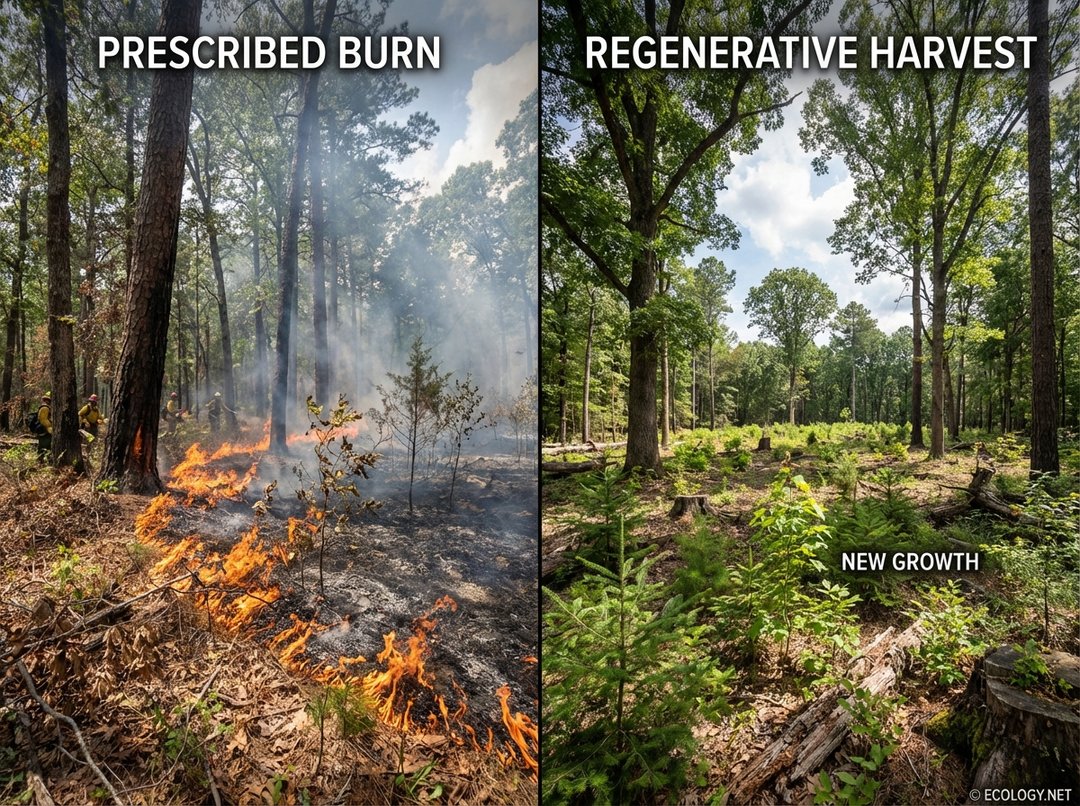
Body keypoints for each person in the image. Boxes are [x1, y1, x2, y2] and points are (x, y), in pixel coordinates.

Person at [35, 392, 52, 462]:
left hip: (44, 430)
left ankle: (47, 460)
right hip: (44, 431)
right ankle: (40, 461)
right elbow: (43, 420)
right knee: (43, 446)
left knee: (47, 446)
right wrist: (50, 428)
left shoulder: (45, 407)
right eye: (47, 400)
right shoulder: (45, 408)